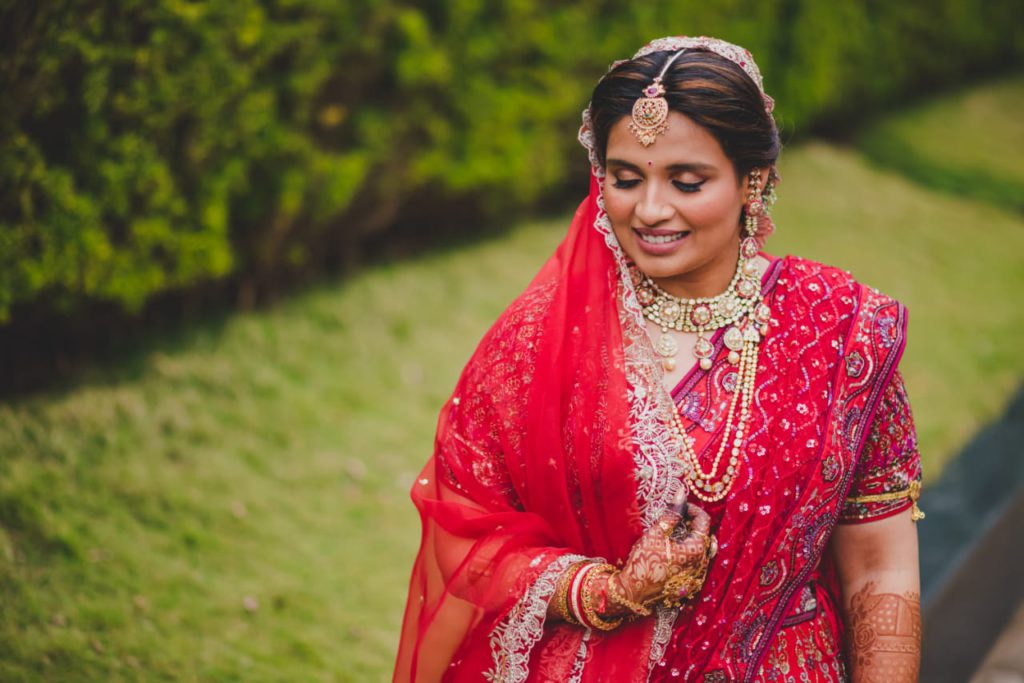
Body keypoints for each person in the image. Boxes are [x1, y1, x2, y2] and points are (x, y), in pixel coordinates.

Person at [393, 36, 924, 682]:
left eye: (687, 180)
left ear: (750, 179)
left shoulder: (843, 330)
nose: (648, 210)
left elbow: (880, 570)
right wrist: (605, 591)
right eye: (624, 178)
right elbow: (468, 525)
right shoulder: (543, 336)